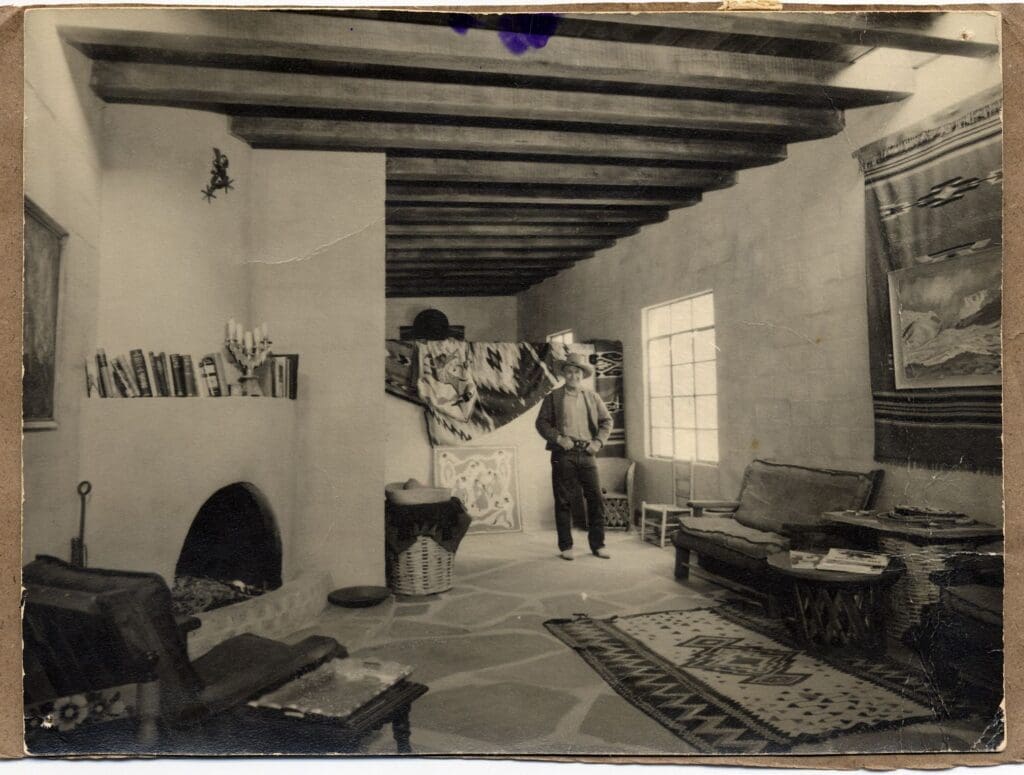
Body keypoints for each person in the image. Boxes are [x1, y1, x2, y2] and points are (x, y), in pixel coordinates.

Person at [535, 353, 613, 560]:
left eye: (576, 372)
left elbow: (607, 421)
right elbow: (541, 423)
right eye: (569, 371)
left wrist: (597, 442)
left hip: (587, 453)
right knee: (564, 501)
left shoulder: (592, 397)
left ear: (582, 375)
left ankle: (598, 545)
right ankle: (566, 546)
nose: (573, 376)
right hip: (563, 454)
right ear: (564, 374)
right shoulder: (553, 397)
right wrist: (559, 438)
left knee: (595, 498)